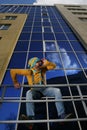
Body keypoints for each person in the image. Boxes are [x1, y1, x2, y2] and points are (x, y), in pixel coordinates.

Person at [10, 57, 72, 130]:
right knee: (28, 93)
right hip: (35, 91)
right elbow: (13, 71)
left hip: (44, 90)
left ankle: (62, 115)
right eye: (37, 62)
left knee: (57, 91)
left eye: (40, 62)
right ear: (33, 64)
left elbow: (53, 66)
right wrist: (15, 82)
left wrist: (47, 62)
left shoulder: (43, 69)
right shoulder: (28, 72)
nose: (40, 63)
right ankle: (30, 119)